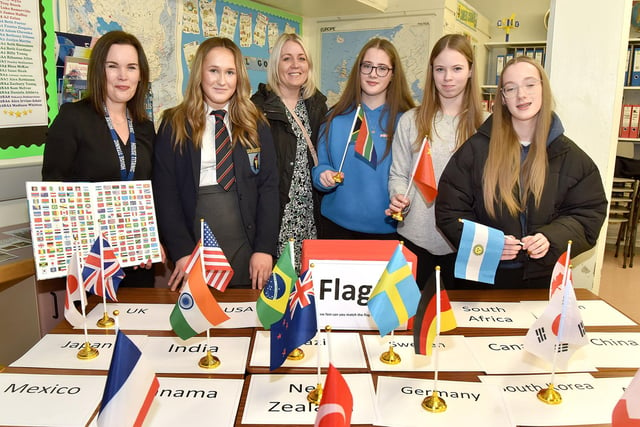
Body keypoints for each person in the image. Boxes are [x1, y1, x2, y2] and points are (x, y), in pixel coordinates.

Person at [435, 56, 608, 289]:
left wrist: (551, 238)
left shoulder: (572, 158)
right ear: (503, 98)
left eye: (529, 84)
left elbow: (588, 213)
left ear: (543, 89)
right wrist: (489, 244)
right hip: (483, 281)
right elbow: (449, 212)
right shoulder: (474, 151)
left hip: (543, 280)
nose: (522, 95)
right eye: (511, 88)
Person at [153, 37, 279, 291]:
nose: (222, 81)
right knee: (200, 320)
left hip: (246, 240)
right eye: (214, 71)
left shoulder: (257, 123)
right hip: (195, 244)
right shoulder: (174, 124)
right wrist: (181, 251)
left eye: (230, 72)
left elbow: (269, 188)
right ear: (200, 72)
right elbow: (165, 193)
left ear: (239, 77)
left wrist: (265, 249)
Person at [42, 30, 157, 288]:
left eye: (131, 67)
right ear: (98, 70)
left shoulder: (145, 126)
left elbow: (152, 190)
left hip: (136, 260)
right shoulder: (72, 118)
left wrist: (151, 239)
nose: (123, 76)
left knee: (139, 326)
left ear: (141, 75)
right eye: (113, 66)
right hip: (90, 261)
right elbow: (54, 191)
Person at [386, 34, 485, 289]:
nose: (448, 78)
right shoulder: (411, 120)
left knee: (458, 323)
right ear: (431, 72)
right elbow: (398, 175)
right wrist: (398, 196)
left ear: (471, 70)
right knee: (412, 321)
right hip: (415, 239)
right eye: (440, 69)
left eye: (457, 69)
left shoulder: (486, 125)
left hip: (467, 244)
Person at [312, 38, 415, 240]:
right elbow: (320, 166)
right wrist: (323, 175)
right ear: (358, 70)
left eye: (382, 68)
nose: (373, 74)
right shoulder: (334, 117)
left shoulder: (407, 121)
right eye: (367, 66)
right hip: (335, 229)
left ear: (393, 74)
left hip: (389, 233)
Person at [251, 33, 327, 266]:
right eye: (287, 58)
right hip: (275, 219)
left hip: (310, 217)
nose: (295, 65)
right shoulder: (256, 110)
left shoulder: (318, 107)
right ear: (276, 65)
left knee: (306, 294)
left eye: (301, 58)